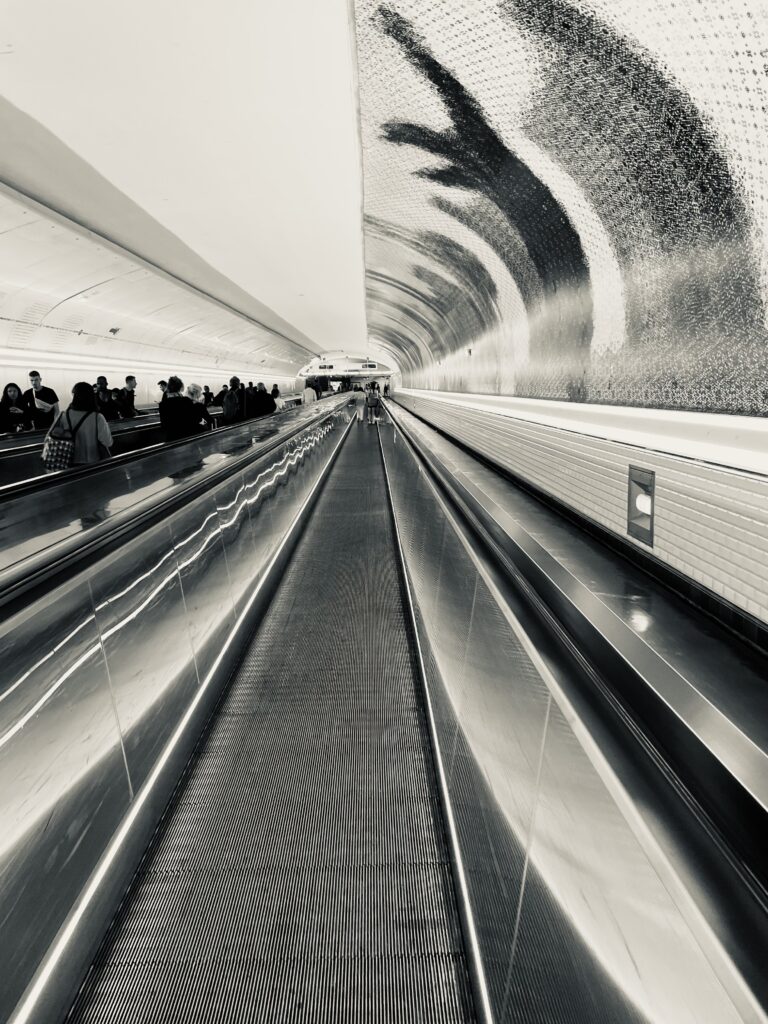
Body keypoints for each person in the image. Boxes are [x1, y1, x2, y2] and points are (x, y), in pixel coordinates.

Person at [45, 381, 112, 465]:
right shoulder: (97, 417)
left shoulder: (63, 416)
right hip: (92, 463)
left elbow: (49, 438)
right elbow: (107, 442)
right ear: (91, 396)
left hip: (69, 463)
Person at [159, 376, 201, 441]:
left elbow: (164, 425)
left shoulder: (163, 404)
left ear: (168, 387)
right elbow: (195, 419)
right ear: (180, 387)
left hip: (171, 437)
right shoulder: (186, 401)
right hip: (187, 435)